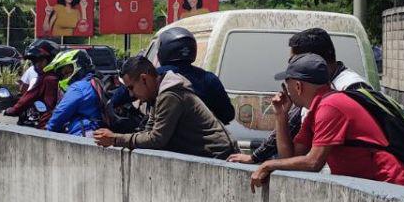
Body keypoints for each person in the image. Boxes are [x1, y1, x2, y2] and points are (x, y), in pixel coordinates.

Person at [249, 53, 404, 190]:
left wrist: (267, 165)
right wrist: (281, 116)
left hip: (390, 184)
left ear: (298, 86)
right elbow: (290, 157)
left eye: (287, 86)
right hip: (371, 185)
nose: (286, 92)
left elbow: (313, 162)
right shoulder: (317, 109)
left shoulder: (330, 107)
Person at [230, 27, 370, 165]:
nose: (290, 69)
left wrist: (267, 164)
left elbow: (313, 163)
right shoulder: (313, 96)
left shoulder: (348, 90)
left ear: (311, 60)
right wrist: (256, 156)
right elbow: (292, 150)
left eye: (294, 62)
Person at [95, 56, 236, 159]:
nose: (131, 94)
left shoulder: (170, 95)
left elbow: (156, 139)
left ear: (144, 79)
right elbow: (148, 132)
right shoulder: (158, 95)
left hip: (220, 158)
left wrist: (115, 139)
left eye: (131, 87)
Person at [45, 49, 104, 136]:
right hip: (93, 131)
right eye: (63, 74)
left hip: (82, 134)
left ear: (78, 66)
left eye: (67, 72)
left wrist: (47, 133)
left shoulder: (78, 87)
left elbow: (60, 114)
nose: (65, 76)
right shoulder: (93, 81)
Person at [5, 41, 60, 127]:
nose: (36, 65)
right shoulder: (58, 76)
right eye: (34, 62)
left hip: (48, 122)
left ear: (48, 60)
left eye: (39, 61)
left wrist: (13, 110)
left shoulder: (47, 78)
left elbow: (29, 96)